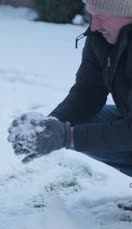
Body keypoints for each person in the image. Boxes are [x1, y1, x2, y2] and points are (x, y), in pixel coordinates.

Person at [8, 0, 132, 176]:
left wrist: (67, 137)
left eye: (101, 17)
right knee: (78, 121)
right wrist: (49, 128)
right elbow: (87, 92)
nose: (94, 25)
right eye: (91, 14)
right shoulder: (100, 37)